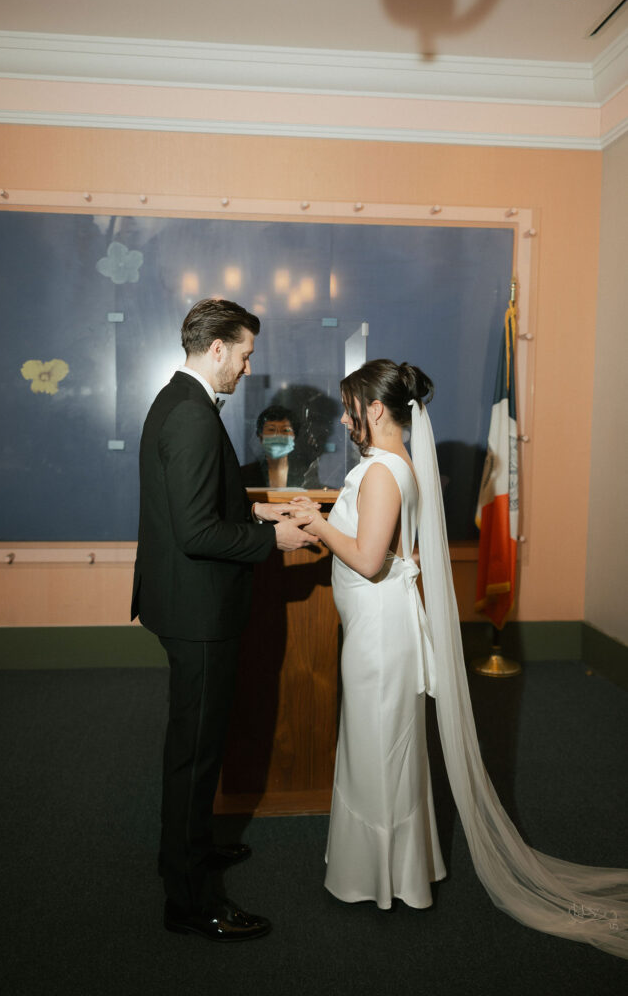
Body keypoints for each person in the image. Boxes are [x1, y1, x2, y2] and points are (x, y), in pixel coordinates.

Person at [292, 359, 627, 959]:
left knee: (377, 749)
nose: (344, 419)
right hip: (382, 627)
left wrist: (318, 523)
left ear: (374, 409)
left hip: (377, 637)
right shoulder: (400, 467)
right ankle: (399, 873)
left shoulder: (380, 475)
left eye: (350, 408)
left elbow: (369, 560)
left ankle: (382, 879)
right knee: (384, 747)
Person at [131, 298, 311, 943]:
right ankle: (189, 900)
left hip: (184, 601)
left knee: (193, 749)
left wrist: (258, 513)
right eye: (244, 352)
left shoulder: (177, 401)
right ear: (217, 349)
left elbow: (202, 500)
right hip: (199, 610)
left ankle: (187, 849)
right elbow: (199, 531)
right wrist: (275, 543)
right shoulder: (193, 417)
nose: (245, 365)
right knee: (196, 756)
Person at [240, 405, 302, 488]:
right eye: (271, 430)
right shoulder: (244, 474)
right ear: (261, 436)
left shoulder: (305, 473)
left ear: (295, 436)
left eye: (285, 430)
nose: (278, 436)